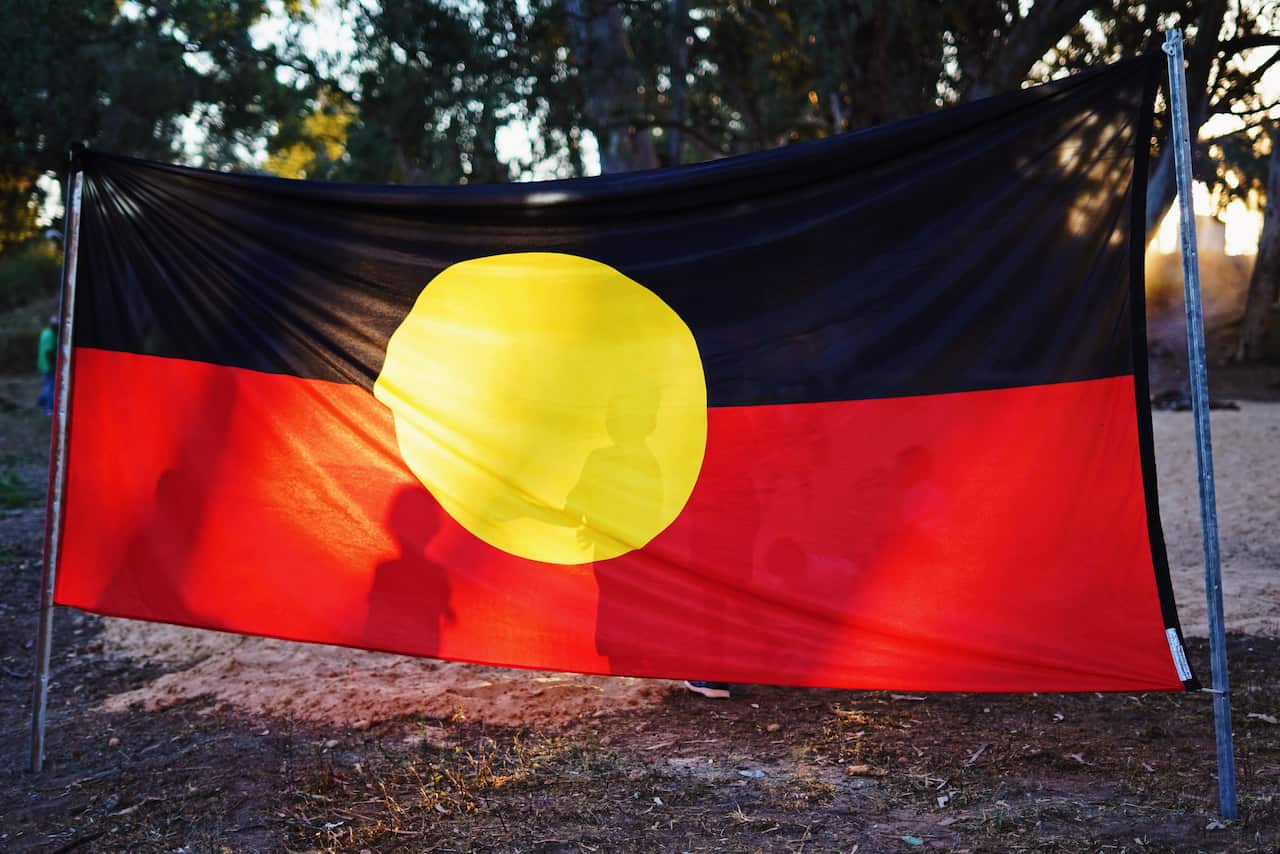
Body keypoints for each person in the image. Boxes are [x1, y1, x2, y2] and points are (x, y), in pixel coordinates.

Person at [36, 316, 57, 416]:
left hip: (42, 364)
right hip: (48, 366)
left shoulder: (45, 332)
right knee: (51, 386)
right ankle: (48, 408)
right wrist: (52, 366)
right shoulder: (51, 335)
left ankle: (40, 401)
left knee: (47, 384)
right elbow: (48, 352)